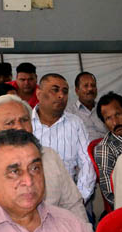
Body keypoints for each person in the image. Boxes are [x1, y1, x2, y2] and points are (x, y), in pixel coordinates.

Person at [0, 94, 87, 223]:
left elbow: (73, 205)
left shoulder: (50, 157)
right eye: (10, 123)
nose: (19, 127)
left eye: (24, 120)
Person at [31, 73, 95, 202]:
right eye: (55, 90)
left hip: (69, 198)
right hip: (32, 199)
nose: (61, 95)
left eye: (65, 92)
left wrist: (79, 198)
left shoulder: (75, 123)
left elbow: (87, 163)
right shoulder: (25, 123)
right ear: (39, 93)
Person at [93, 92, 122, 209]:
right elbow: (110, 194)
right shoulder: (105, 149)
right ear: (104, 123)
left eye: (118, 114)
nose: (115, 122)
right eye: (108, 118)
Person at [66, 71, 108, 141]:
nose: (90, 89)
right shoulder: (69, 113)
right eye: (86, 86)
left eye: (93, 85)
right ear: (77, 90)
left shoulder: (104, 108)